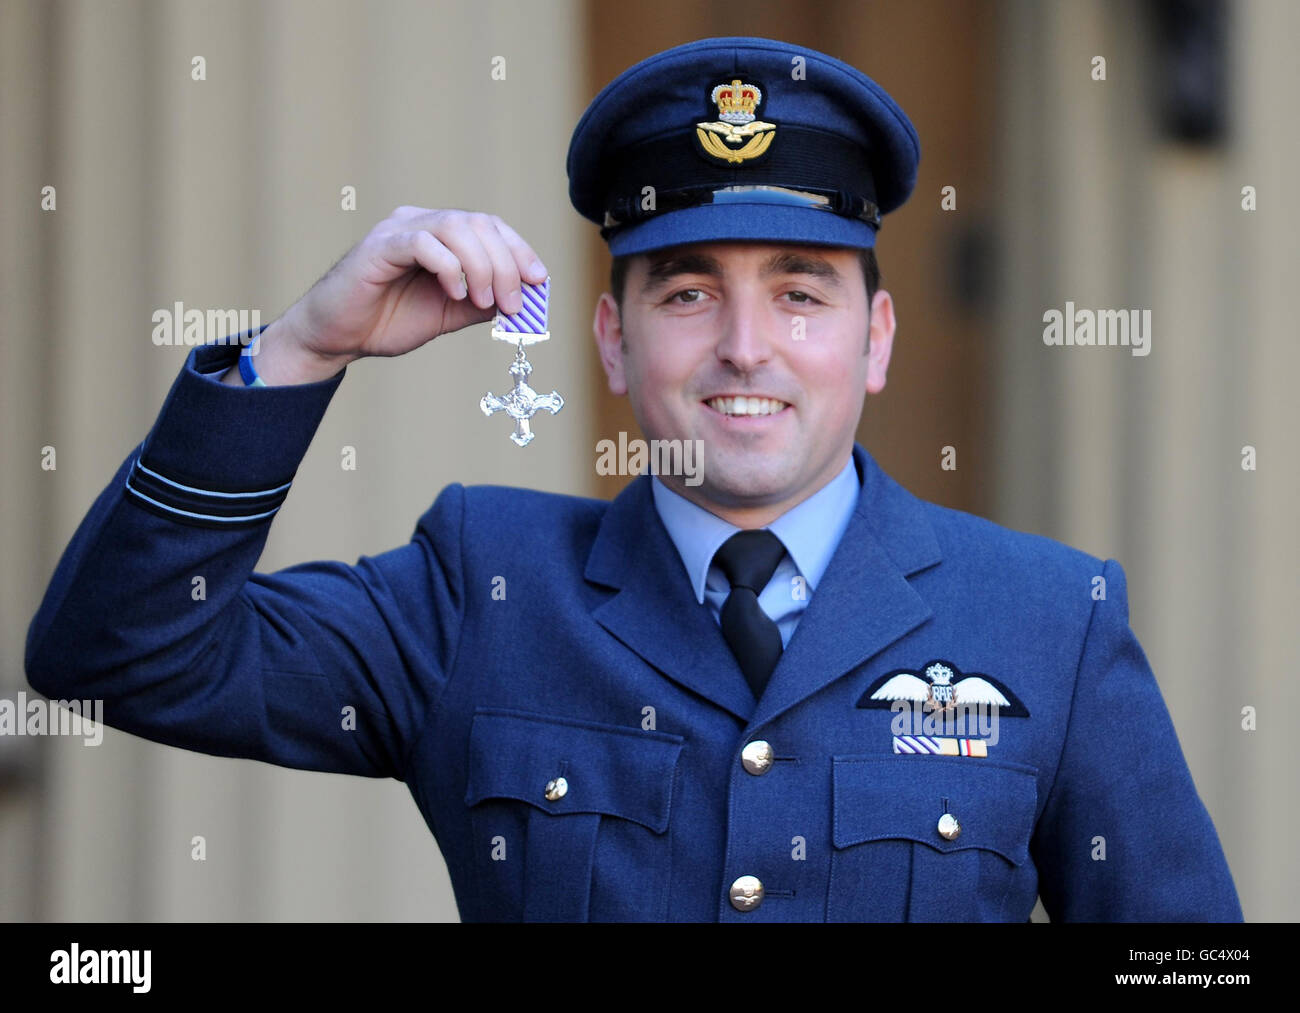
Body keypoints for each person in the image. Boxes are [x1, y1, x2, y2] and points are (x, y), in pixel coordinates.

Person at [25, 36, 1241, 922]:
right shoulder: (479, 589)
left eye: (801, 291)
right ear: (612, 339)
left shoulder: (1045, 618)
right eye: (689, 290)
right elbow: (119, 653)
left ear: (875, 339)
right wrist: (304, 347)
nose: (746, 346)